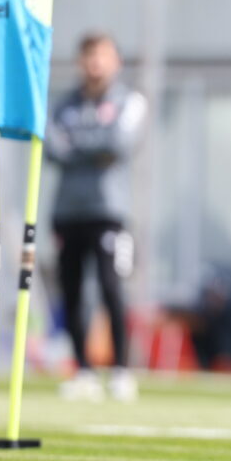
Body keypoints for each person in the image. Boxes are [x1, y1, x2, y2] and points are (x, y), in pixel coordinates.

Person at [45, 33, 147, 401]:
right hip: (67, 212)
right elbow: (52, 149)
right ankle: (83, 371)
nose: (95, 63)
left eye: (102, 56)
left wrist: (78, 145)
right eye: (89, 56)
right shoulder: (63, 105)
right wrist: (93, 146)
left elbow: (117, 144)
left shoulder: (129, 101)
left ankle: (121, 370)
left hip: (109, 212)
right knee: (71, 292)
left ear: (116, 61)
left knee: (111, 287)